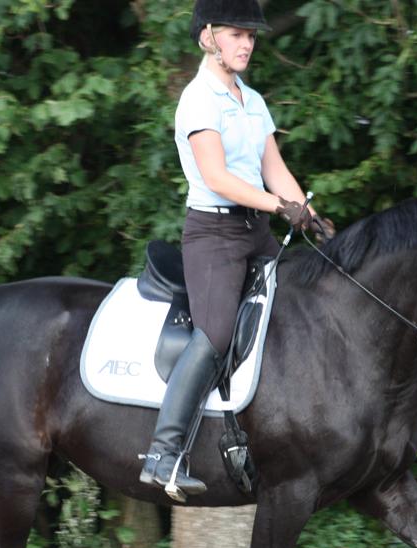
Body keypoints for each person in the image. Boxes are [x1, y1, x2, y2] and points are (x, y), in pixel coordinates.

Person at [139, 0, 334, 501]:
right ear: (208, 37)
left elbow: (275, 168)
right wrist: (277, 205)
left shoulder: (251, 100)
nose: (247, 43)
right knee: (216, 331)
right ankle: (163, 454)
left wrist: (306, 211)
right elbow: (217, 177)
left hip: (254, 232)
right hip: (213, 236)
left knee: (297, 308)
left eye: (251, 35)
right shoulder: (198, 100)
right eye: (237, 34)